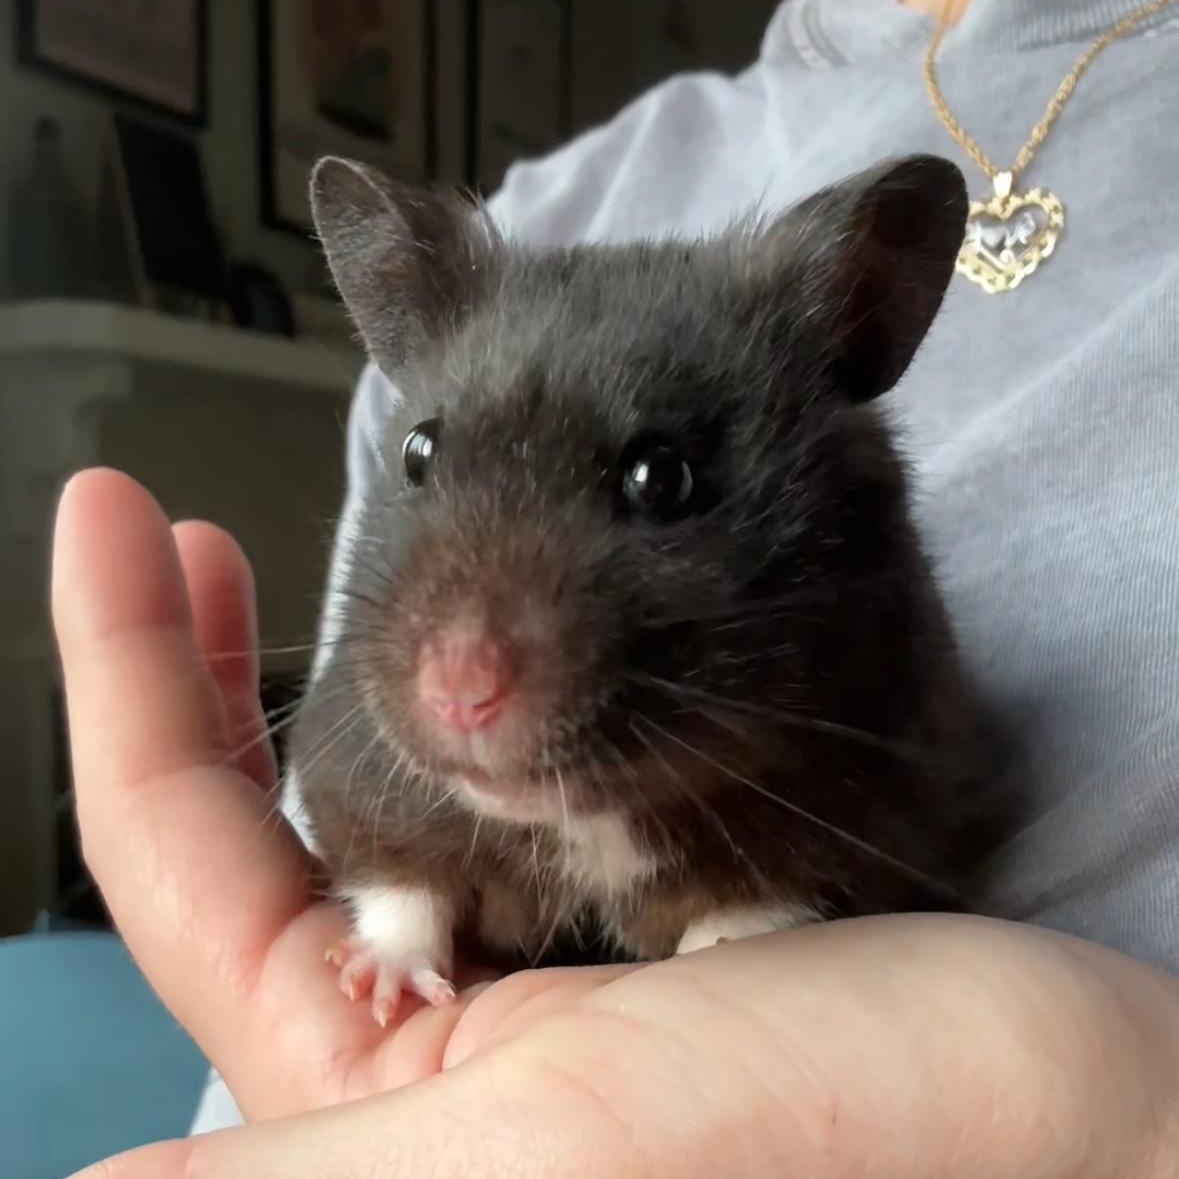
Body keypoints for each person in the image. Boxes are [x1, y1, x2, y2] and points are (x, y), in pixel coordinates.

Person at [54, 0, 1179, 1174]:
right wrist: (397, 916)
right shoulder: (560, 199)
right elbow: (342, 796)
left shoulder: (865, 693)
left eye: (656, 480)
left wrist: (1127, 1123)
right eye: (433, 465)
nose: (467, 675)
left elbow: (917, 793)